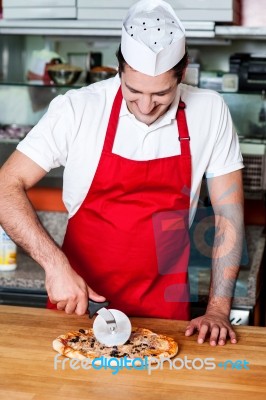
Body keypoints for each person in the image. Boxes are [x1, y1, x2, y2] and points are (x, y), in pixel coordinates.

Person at [0, 0, 244, 346]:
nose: (146, 107)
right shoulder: (78, 108)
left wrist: (218, 308)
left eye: (161, 93)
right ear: (119, 71)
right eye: (134, 92)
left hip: (166, 311)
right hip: (80, 305)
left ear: (183, 71)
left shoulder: (210, 111)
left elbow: (228, 212)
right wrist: (54, 265)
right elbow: (5, 184)